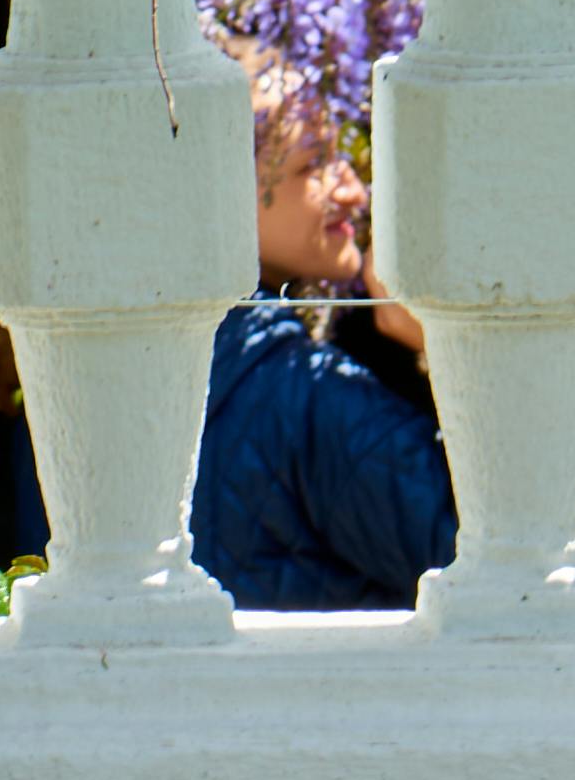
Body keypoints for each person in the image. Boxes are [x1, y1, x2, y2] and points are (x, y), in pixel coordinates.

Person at [185, 53, 458, 609]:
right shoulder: (307, 399)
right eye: (316, 164)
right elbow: (504, 563)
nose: (355, 192)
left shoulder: (78, 374)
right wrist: (446, 345)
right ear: (223, 187)